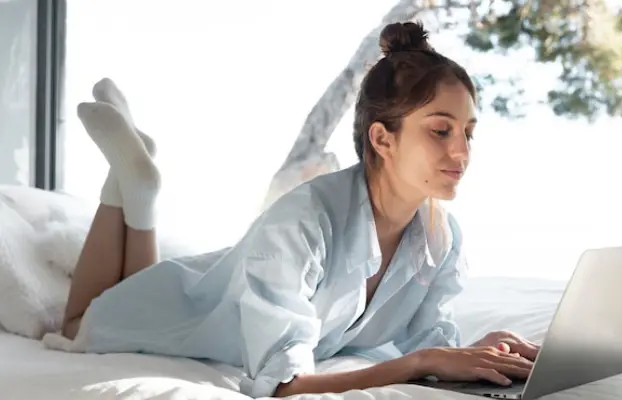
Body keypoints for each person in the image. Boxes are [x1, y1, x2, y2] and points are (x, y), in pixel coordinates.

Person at [46, 21, 540, 398]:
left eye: (469, 132)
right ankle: (130, 184)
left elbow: (431, 341)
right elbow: (283, 386)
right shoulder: (303, 220)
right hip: (173, 313)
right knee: (79, 323)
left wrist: (485, 345)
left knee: (147, 283)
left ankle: (140, 185)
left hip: (201, 294)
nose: (461, 153)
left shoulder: (439, 235)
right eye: (440, 130)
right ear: (382, 138)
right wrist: (417, 365)